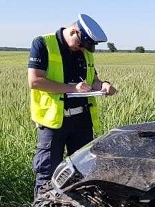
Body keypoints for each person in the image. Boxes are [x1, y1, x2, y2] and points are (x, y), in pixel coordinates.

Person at [28, 14, 118, 197]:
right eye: (80, 44)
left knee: (83, 172)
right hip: (54, 122)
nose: (81, 49)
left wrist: (104, 86)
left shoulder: (84, 51)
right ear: (74, 31)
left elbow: (93, 81)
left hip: (82, 121)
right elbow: (35, 81)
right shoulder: (43, 44)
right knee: (47, 174)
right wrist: (72, 88)